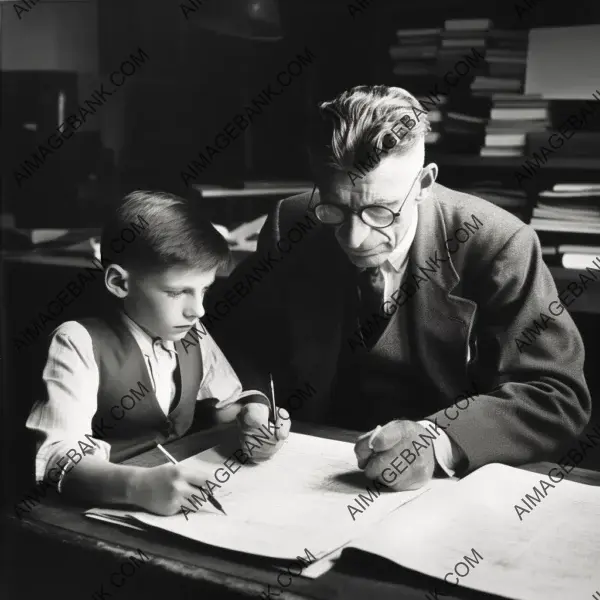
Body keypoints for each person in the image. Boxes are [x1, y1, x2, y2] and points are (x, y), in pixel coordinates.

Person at [209, 84, 591, 492]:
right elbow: (240, 342)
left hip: (449, 485)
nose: (354, 238)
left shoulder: (498, 243)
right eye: (335, 208)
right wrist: (251, 402)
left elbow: (556, 395)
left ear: (424, 184)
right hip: (310, 469)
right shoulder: (294, 222)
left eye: (379, 211)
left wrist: (436, 441)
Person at [25, 190, 289, 516]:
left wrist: (253, 422)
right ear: (120, 282)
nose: (198, 310)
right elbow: (57, 457)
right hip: (100, 511)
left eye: (204, 289)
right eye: (178, 292)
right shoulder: (76, 342)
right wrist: (138, 486)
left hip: (177, 503)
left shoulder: (191, 333)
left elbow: (224, 407)